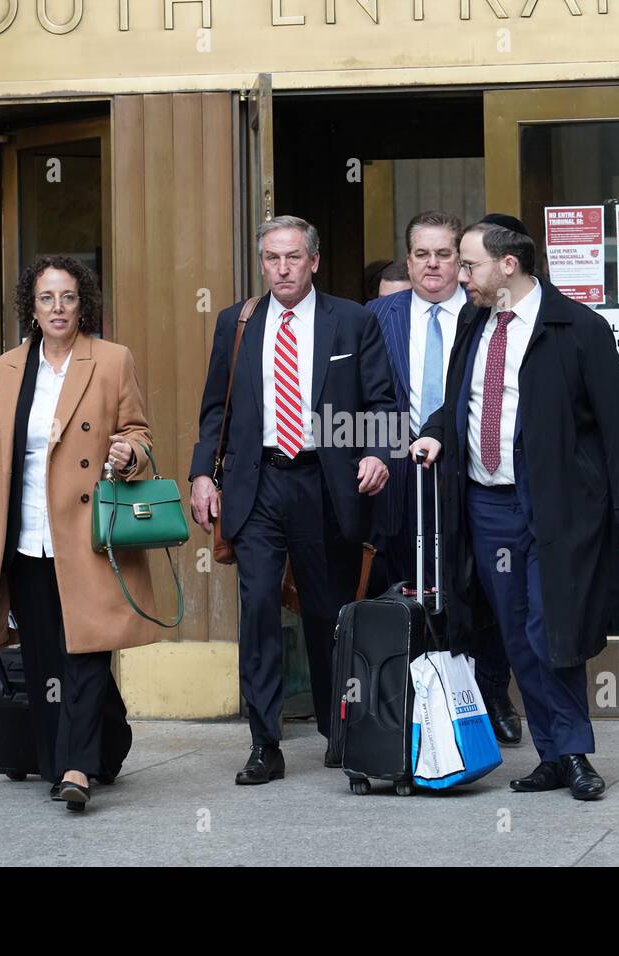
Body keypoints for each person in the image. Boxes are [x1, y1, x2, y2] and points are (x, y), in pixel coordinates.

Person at [412, 215, 619, 801]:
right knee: (519, 637)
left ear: (508, 265)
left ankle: (573, 753)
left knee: (553, 628)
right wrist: (436, 432)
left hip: (554, 507)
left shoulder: (576, 327)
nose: (458, 275)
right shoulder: (474, 324)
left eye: (468, 264)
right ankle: (551, 755)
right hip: (486, 504)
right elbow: (462, 403)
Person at [190, 215, 397, 785]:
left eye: (292, 258)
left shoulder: (351, 321)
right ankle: (265, 743)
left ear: (313, 262)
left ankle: (340, 730)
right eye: (272, 259)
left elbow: (383, 400)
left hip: (324, 483)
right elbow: (216, 407)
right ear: (263, 264)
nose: (282, 268)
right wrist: (201, 476)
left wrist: (378, 452)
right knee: (257, 608)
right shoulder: (238, 322)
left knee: (326, 612)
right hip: (257, 483)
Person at [0, 255, 160, 813]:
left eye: (68, 297)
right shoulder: (5, 369)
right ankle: (96, 747)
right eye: (47, 297)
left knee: (88, 647)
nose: (58, 308)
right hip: (24, 534)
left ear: (84, 304)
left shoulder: (111, 360)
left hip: (85, 532)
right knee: (49, 654)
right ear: (32, 305)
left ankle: (75, 767)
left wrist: (128, 454)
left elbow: (139, 433)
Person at [366, 210, 522, 746]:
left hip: (471, 476)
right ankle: (412, 707)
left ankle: (491, 696)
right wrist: (383, 454)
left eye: (445, 254)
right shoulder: (376, 315)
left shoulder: (486, 313)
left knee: (482, 589)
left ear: (462, 261)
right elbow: (366, 396)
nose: (433, 265)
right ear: (408, 261)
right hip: (400, 478)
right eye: (422, 254)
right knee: (408, 588)